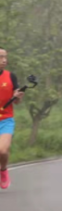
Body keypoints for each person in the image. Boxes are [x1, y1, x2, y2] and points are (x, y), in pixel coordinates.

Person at [0, 48, 26, 191]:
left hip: (5, 120)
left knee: (3, 151)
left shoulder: (11, 77)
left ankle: (3, 170)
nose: (4, 60)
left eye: (5, 57)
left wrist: (17, 97)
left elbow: (16, 102)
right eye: (1, 57)